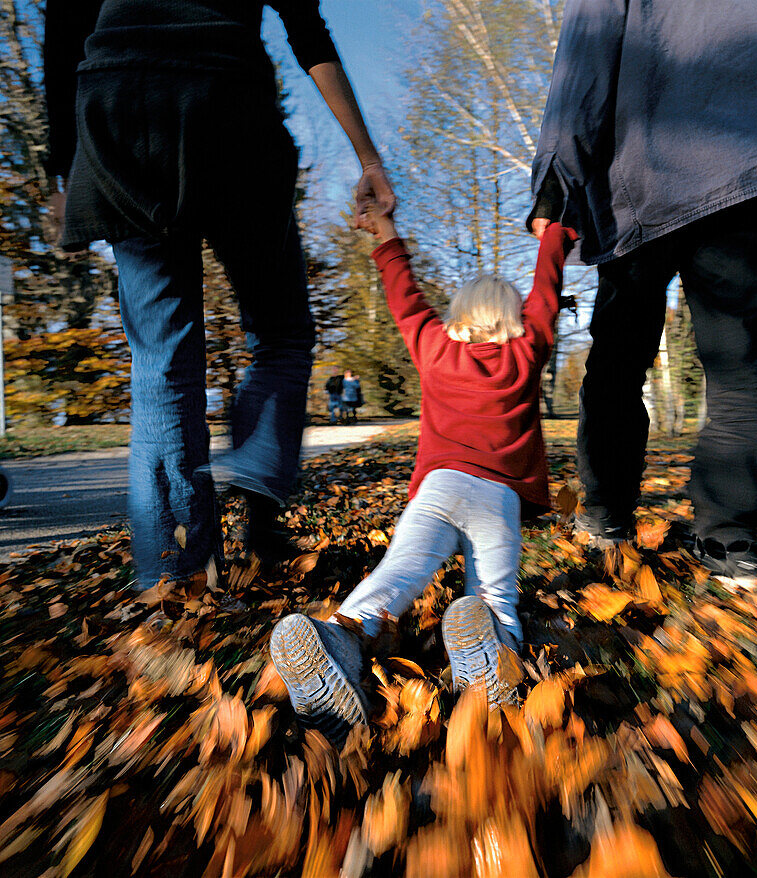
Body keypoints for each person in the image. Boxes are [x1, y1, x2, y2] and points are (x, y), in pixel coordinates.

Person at [43, 1, 394, 584]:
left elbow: (63, 32)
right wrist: (367, 156)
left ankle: (175, 581)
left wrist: (61, 170)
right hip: (226, 104)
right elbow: (308, 31)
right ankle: (259, 504)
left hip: (116, 108)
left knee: (161, 360)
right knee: (281, 333)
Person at [528, 0, 757, 588]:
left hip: (643, 182)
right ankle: (730, 537)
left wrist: (555, 183)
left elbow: (583, 61)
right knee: (736, 363)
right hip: (742, 171)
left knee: (618, 360)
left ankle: (606, 515)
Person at [269, 204, 577, 744]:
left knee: (395, 578)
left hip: (436, 491)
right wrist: (553, 234)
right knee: (494, 597)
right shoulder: (527, 352)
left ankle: (337, 641)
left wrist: (385, 234)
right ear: (516, 319)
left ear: (458, 315)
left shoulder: (435, 348)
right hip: (497, 499)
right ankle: (488, 656)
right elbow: (547, 289)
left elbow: (403, 294)